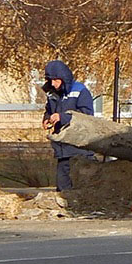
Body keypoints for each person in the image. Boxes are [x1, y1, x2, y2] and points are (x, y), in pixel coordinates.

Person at [42, 59, 94, 192]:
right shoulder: (52, 94)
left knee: (82, 188)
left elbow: (86, 116)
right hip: (62, 150)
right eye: (50, 80)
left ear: (63, 78)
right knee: (62, 188)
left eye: (56, 80)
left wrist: (62, 117)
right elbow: (49, 110)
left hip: (80, 149)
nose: (53, 84)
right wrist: (47, 118)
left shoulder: (80, 91)